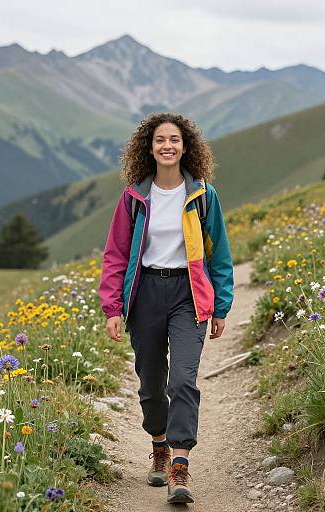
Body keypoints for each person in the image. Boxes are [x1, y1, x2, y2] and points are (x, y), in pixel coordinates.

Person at [99, 112, 234, 504]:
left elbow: (220, 255)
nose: (168, 146)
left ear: (186, 146)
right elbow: (115, 255)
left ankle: (179, 464)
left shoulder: (204, 195)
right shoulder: (134, 197)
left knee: (182, 381)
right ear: (149, 147)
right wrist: (112, 308)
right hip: (145, 296)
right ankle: (158, 443)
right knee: (151, 382)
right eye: (160, 140)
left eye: (174, 139)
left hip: (188, 295)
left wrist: (221, 306)